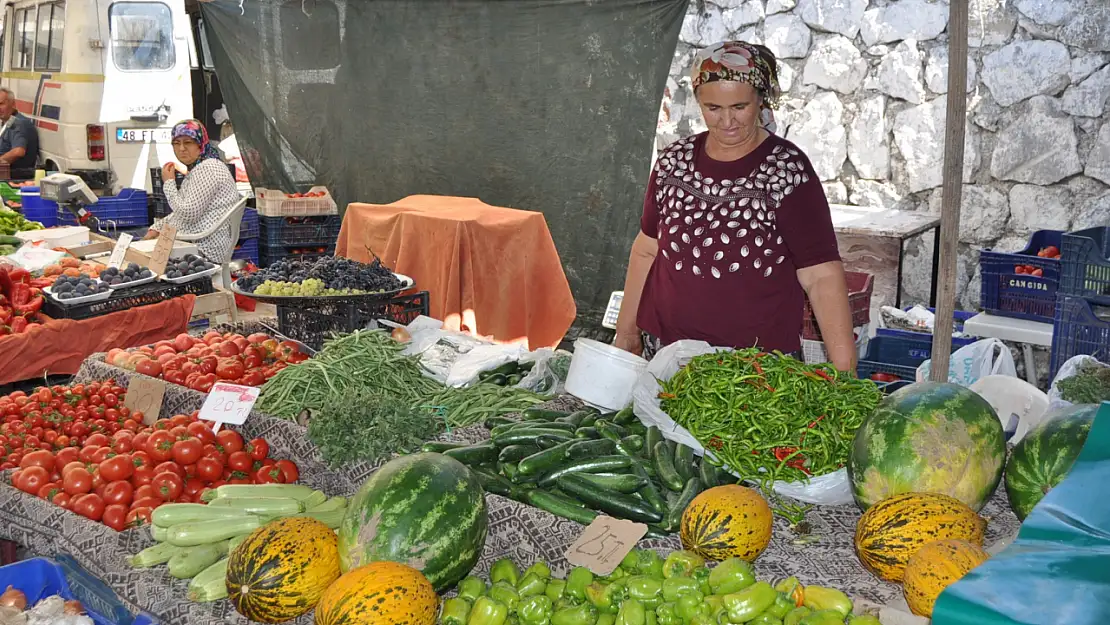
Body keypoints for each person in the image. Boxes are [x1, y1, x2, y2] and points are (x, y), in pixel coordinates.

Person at [613, 41, 857, 372]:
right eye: (713, 108)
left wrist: (845, 371)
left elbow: (820, 274)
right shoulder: (674, 162)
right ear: (698, 101)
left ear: (761, 99)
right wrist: (627, 333)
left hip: (755, 368)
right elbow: (646, 250)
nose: (727, 121)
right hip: (666, 354)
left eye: (740, 106)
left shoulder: (785, 170)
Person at [145, 119, 240, 263]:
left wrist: (169, 183)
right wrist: (156, 228)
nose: (181, 148)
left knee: (145, 261)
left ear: (200, 145)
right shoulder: (199, 168)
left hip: (205, 248)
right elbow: (181, 213)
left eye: (188, 142)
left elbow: (188, 213)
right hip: (197, 241)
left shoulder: (208, 168)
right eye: (176, 143)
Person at [0, 88, 40, 179]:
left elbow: (18, 151)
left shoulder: (18, 123)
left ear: (13, 104)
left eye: (1, 104)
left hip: (14, 176)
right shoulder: (7, 122)